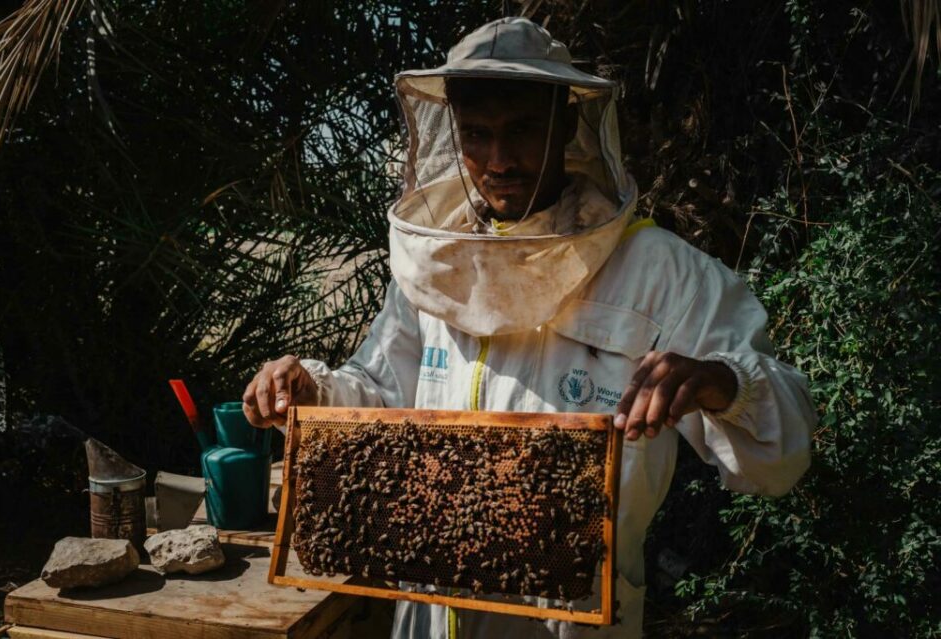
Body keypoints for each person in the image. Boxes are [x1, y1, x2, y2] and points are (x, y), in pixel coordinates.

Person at [243, 17, 815, 639]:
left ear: (567, 125)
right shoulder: (438, 266)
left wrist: (720, 383)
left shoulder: (660, 273)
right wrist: (312, 391)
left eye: (521, 131)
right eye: (477, 135)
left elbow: (780, 459)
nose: (499, 159)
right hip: (427, 616)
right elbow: (379, 389)